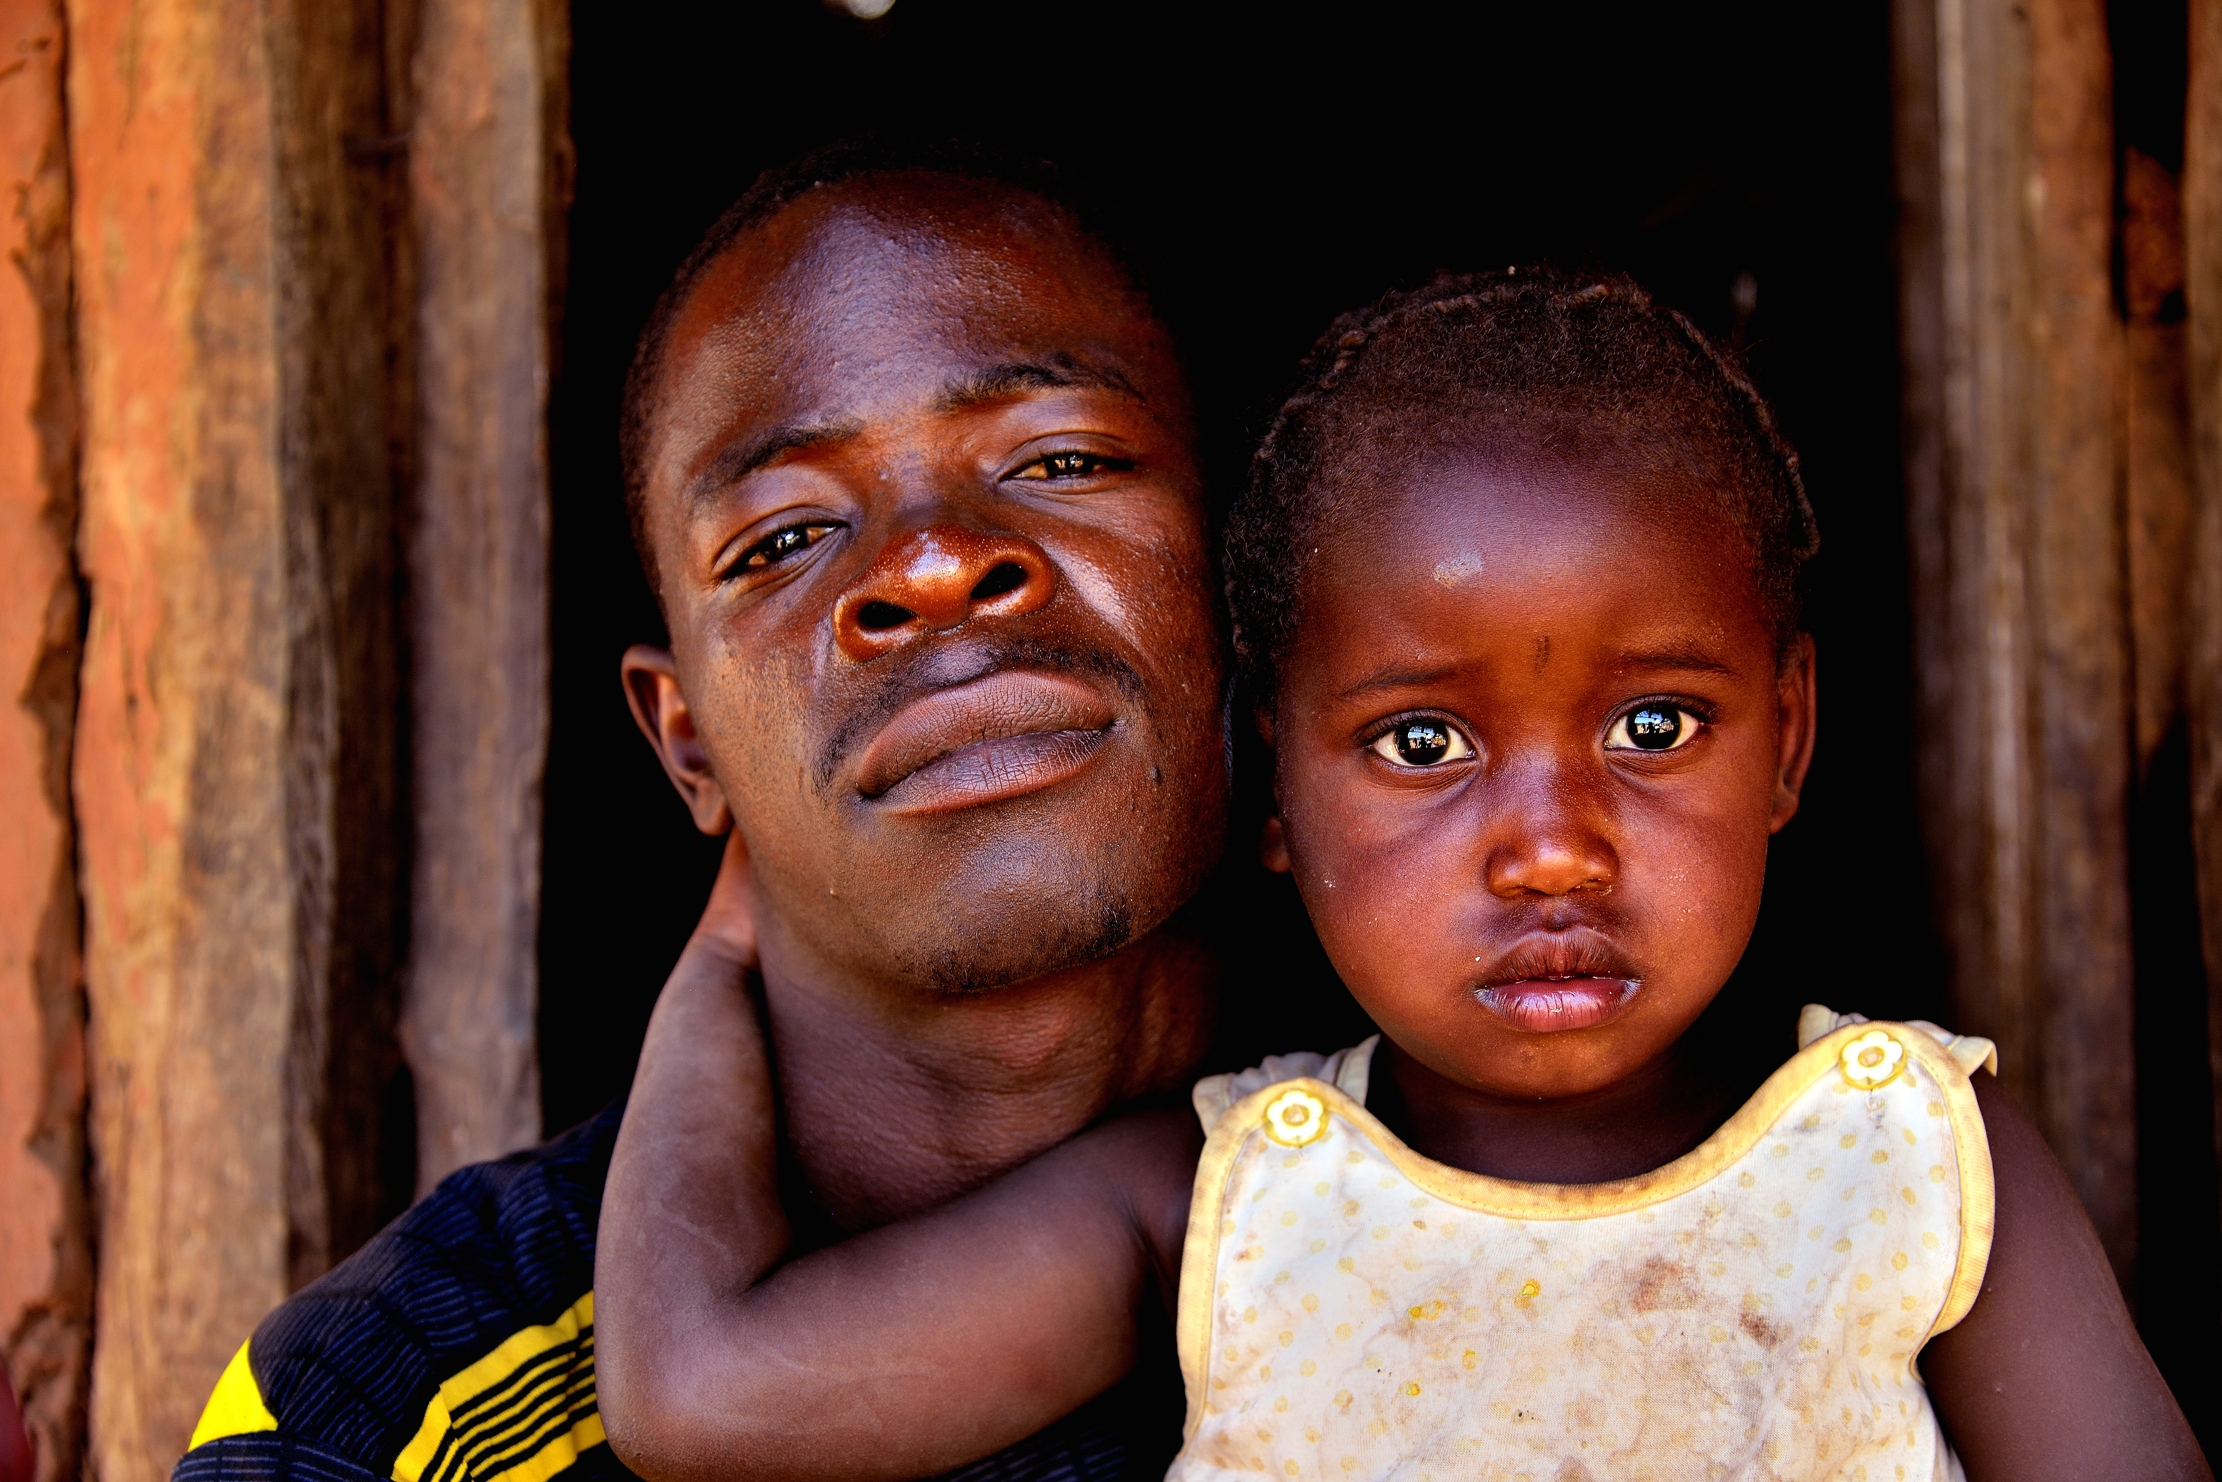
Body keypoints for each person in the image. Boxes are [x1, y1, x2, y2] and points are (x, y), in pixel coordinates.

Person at [594, 268, 2210, 1481]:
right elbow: (700, 1394)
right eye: (1422, 746)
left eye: (1654, 724)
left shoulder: (1915, 1163)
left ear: (1785, 738)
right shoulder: (1223, 1199)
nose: (1551, 844)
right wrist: (729, 942)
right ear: (1268, 781)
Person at [173, 140, 1241, 1482]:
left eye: (1060, 458)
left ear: (1248, 600)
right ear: (686, 744)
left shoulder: (1489, 1233)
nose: (927, 563)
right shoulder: (383, 1409)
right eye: (784, 536)